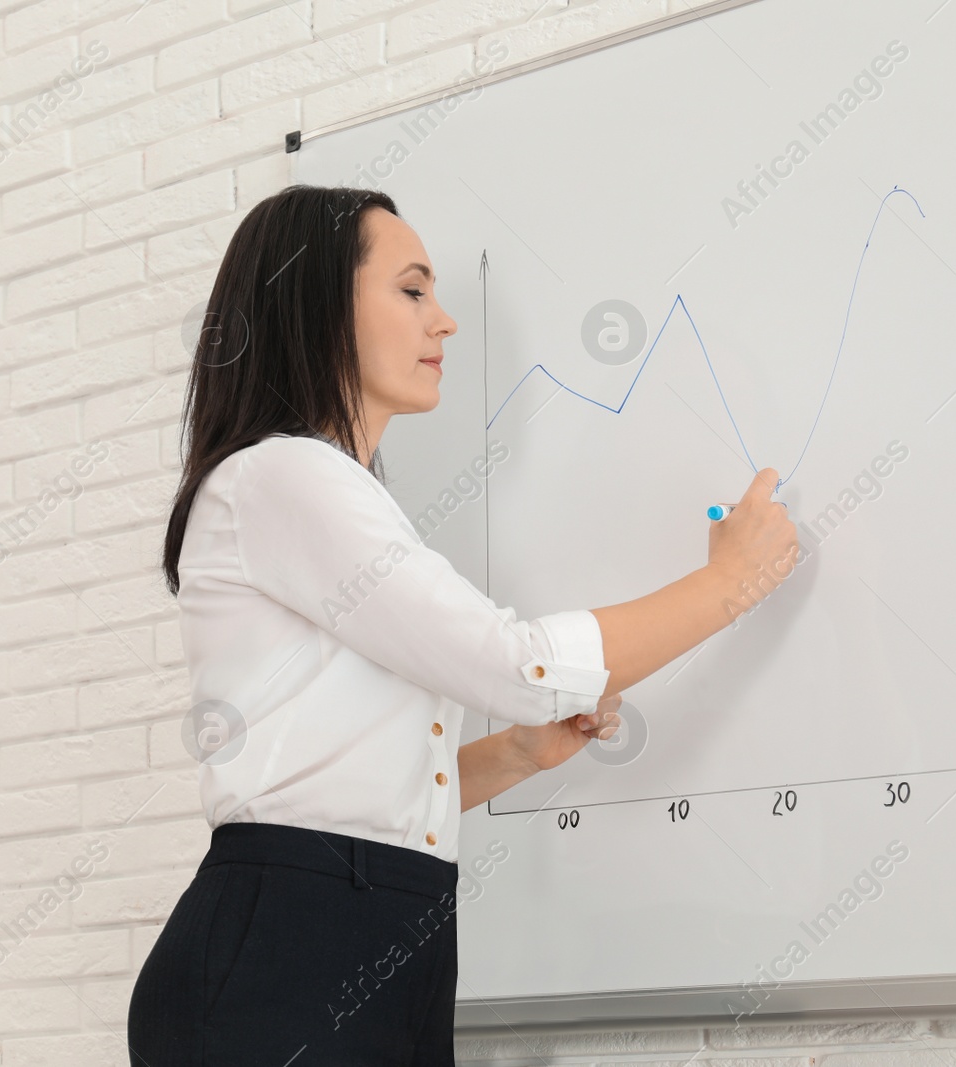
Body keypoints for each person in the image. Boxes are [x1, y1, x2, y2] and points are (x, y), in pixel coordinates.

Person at [126, 184, 798, 1065]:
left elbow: (346, 780)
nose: (443, 322)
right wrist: (729, 583)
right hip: (287, 952)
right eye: (411, 290)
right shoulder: (283, 477)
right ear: (317, 302)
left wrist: (515, 755)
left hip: (380, 939)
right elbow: (514, 665)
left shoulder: (336, 494)